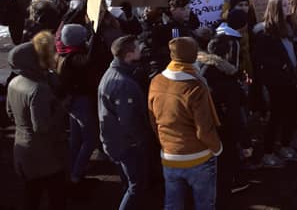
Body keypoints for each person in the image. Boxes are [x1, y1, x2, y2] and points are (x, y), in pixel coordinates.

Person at [148, 37, 222, 210]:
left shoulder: (156, 81)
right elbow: (204, 129)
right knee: (204, 204)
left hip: (169, 155)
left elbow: (153, 120)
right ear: (193, 56)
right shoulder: (195, 86)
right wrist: (217, 148)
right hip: (198, 156)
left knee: (172, 204)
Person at [6, 32, 68, 210]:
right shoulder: (39, 89)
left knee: (31, 196)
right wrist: (61, 108)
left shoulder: (14, 82)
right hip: (45, 154)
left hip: (23, 151)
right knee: (57, 198)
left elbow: (10, 113)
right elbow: (42, 126)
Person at [98, 35, 154, 210]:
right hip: (127, 144)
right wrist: (142, 140)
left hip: (115, 140)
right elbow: (129, 120)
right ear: (129, 54)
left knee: (128, 182)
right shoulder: (124, 84)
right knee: (136, 186)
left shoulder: (113, 72)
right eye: (137, 48)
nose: (141, 50)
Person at [199, 35, 253, 205]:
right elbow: (235, 115)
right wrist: (246, 143)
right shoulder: (226, 78)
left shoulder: (201, 70)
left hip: (206, 129)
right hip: (224, 131)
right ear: (228, 54)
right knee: (223, 172)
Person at [56, 23, 106, 189]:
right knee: (90, 139)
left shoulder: (63, 54)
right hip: (81, 102)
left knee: (76, 139)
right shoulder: (76, 60)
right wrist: (96, 36)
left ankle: (71, 171)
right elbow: (90, 60)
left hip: (71, 103)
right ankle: (76, 176)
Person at [253, 0, 297, 167]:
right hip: (275, 82)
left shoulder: (291, 27)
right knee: (274, 117)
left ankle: (285, 145)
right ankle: (268, 152)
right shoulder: (265, 32)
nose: (289, 8)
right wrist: (280, 67)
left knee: (291, 114)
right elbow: (261, 60)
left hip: (291, 79)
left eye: (289, 4)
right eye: (284, 5)